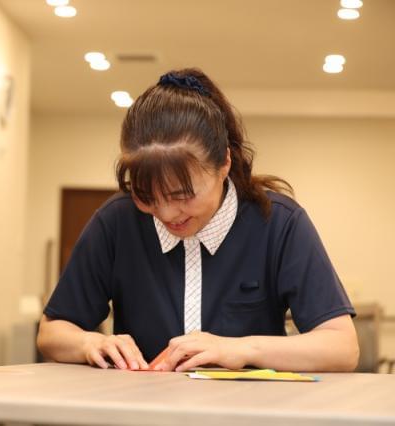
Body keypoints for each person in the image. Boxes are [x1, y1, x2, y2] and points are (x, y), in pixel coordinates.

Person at [37, 68, 359, 373]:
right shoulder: (117, 221)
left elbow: (342, 346)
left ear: (224, 164)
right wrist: (89, 342)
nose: (165, 214)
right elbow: (51, 333)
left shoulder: (279, 223)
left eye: (181, 195)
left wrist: (240, 350)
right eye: (147, 195)